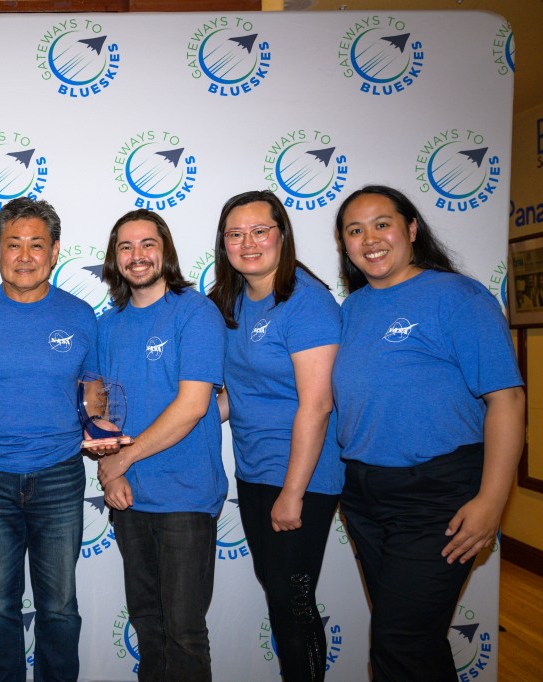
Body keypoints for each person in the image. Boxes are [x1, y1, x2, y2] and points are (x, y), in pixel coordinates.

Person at [332, 185, 524, 680]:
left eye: (382, 224)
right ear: (344, 245)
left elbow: (508, 399)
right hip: (364, 495)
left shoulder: (458, 296)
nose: (369, 238)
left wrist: (492, 500)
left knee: (399, 644)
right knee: (413, 643)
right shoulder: (350, 310)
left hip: (438, 495)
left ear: (411, 229)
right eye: (355, 230)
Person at [0, 197, 97, 682]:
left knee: (59, 608)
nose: (25, 256)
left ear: (54, 252)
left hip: (59, 476)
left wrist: (107, 439)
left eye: (37, 245)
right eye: (14, 245)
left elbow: (95, 395)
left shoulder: (80, 316)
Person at [208, 191, 343, 681]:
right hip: (254, 468)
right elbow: (233, 397)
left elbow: (318, 403)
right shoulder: (232, 302)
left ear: (281, 235)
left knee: (293, 599)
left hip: (304, 476)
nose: (248, 243)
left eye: (260, 231)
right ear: (223, 244)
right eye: (235, 234)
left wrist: (293, 492)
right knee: (279, 593)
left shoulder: (306, 301)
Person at [90, 209, 227, 682]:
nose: (137, 256)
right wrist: (113, 468)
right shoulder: (108, 326)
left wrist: (119, 462)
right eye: (125, 247)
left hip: (185, 497)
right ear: (114, 259)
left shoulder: (195, 312)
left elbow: (192, 407)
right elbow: (105, 409)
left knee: (184, 633)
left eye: (147, 244)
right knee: (147, 626)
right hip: (130, 497)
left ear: (165, 250)